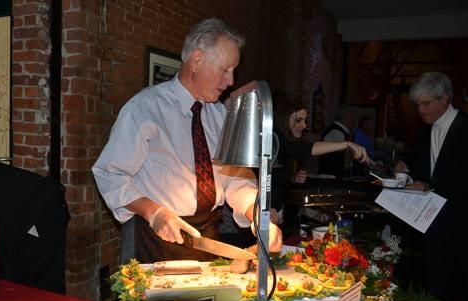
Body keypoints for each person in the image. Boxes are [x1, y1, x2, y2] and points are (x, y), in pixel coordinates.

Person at [92, 18, 283, 263]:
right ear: (196, 59)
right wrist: (154, 212)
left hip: (208, 236)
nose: (231, 81)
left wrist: (256, 213)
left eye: (233, 70)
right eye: (225, 70)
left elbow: (235, 177)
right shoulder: (144, 108)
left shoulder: (220, 114)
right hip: (154, 235)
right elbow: (110, 174)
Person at [395, 72, 468, 301]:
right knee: (437, 295)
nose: (420, 109)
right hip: (436, 229)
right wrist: (407, 169)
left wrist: (430, 186)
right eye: (417, 105)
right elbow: (429, 169)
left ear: (445, 99)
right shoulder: (426, 131)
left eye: (426, 103)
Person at [272, 97, 370, 216]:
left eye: (305, 120)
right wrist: (347, 144)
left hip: (277, 209)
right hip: (266, 210)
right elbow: (307, 149)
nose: (304, 125)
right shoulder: (275, 139)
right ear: (284, 120)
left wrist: (293, 177)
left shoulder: (285, 142)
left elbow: (276, 175)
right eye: (298, 120)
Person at [318, 105, 357, 176]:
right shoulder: (336, 131)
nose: (354, 120)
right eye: (353, 117)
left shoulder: (341, 131)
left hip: (335, 175)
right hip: (331, 176)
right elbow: (343, 153)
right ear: (347, 117)